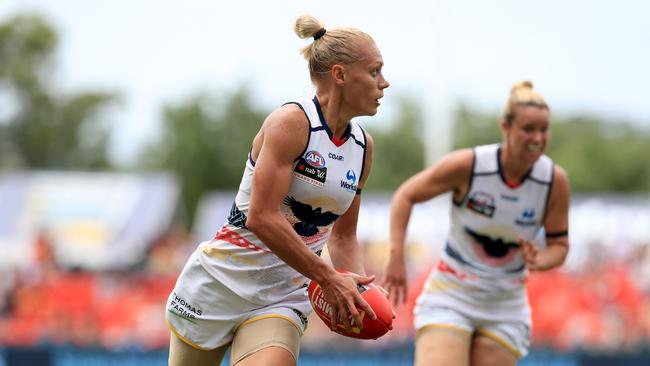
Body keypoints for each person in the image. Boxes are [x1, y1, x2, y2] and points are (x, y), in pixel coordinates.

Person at [165, 14, 390, 366]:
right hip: (220, 283)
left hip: (282, 297)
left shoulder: (363, 148)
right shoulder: (291, 123)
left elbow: (343, 238)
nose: (385, 83)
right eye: (375, 71)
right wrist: (329, 278)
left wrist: (353, 293)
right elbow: (262, 217)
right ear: (340, 75)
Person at [381, 81, 570, 366]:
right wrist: (396, 257)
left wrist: (541, 260)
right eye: (528, 129)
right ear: (505, 127)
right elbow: (406, 195)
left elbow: (560, 246)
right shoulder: (469, 165)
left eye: (544, 130)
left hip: (505, 306)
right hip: (451, 295)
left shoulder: (554, 181)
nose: (537, 138)